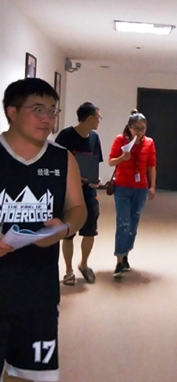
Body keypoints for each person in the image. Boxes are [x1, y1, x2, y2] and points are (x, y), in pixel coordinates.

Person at [0, 78, 86, 382]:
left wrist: (64, 229)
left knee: (26, 364)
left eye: (52, 111)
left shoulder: (62, 158)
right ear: (11, 112)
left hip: (37, 287)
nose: (48, 118)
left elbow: (77, 209)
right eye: (38, 109)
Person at [55, 102, 103, 285]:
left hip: (89, 192)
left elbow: (94, 163)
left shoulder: (95, 138)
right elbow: (56, 163)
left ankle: (84, 264)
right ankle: (68, 271)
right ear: (89, 118)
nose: (99, 120)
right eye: (98, 117)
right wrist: (74, 177)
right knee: (69, 233)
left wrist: (95, 179)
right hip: (69, 193)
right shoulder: (65, 136)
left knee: (90, 231)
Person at [108, 112, 156, 278]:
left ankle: (126, 254)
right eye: (137, 128)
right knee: (123, 222)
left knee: (133, 225)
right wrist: (123, 157)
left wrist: (152, 186)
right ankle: (119, 261)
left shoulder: (149, 142)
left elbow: (151, 166)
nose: (140, 132)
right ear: (129, 127)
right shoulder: (120, 140)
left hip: (140, 188)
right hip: (122, 187)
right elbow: (111, 161)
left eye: (143, 128)